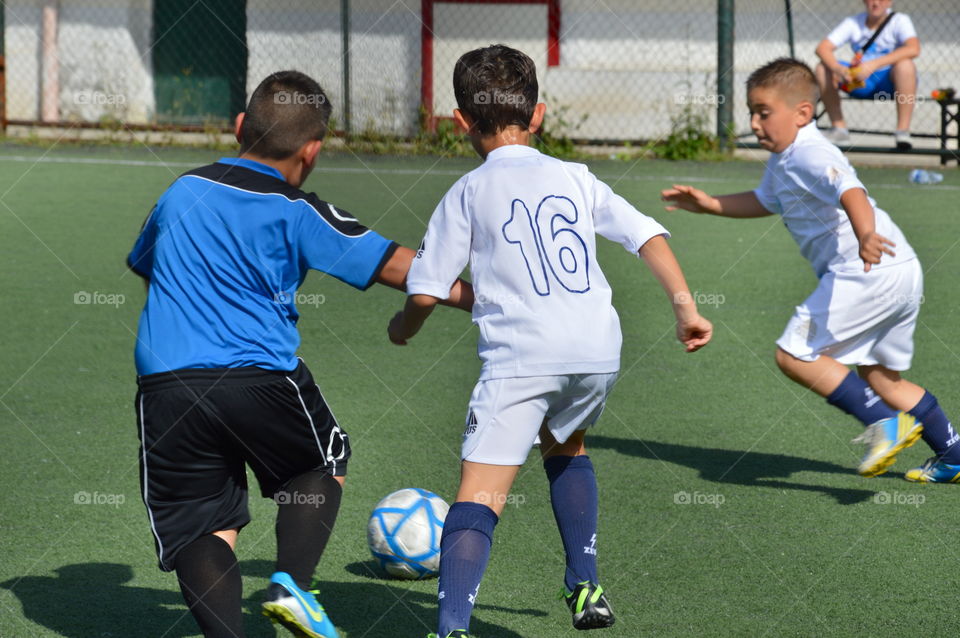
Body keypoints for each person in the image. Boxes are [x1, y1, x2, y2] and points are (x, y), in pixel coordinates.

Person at [126, 70, 473, 638]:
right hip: (257, 376)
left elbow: (148, 263)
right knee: (320, 462)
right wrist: (486, 300)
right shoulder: (297, 208)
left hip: (165, 386)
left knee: (201, 528)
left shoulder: (181, 191)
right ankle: (292, 584)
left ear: (240, 126)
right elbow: (401, 267)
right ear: (312, 151)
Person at [387, 45, 713, 638]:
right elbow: (646, 236)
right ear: (538, 115)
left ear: (460, 121)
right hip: (596, 349)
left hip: (523, 358)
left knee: (480, 494)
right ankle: (585, 585)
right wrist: (685, 307)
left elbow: (426, 293)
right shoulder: (576, 177)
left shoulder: (467, 191)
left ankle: (452, 627)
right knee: (565, 446)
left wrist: (402, 327)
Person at [662, 58, 959, 484]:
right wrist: (710, 204)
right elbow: (766, 200)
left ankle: (884, 424)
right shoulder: (784, 159)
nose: (755, 123)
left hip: (866, 268)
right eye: (751, 112)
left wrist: (865, 234)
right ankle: (953, 454)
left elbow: (851, 189)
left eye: (764, 112)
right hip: (899, 270)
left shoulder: (811, 153)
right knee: (881, 377)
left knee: (794, 353)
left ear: (802, 113)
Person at [814, 0, 920, 149]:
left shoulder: (900, 20)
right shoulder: (852, 22)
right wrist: (839, 69)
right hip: (859, 83)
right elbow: (822, 48)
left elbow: (914, 49)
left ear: (890, 1)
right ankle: (839, 129)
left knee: (906, 65)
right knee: (822, 68)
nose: (876, 3)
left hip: (888, 83)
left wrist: (873, 65)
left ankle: (903, 131)